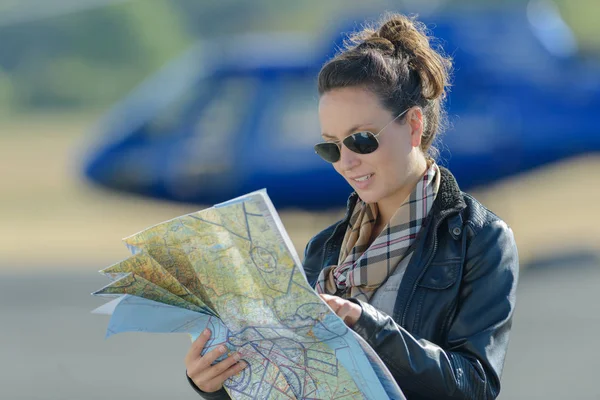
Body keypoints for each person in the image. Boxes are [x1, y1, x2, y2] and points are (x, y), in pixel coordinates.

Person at [185, 12, 519, 400]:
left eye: (361, 140)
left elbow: (474, 386)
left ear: (413, 125)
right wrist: (215, 382)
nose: (345, 161)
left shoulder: (480, 239)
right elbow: (292, 380)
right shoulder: (324, 248)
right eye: (330, 146)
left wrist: (367, 325)